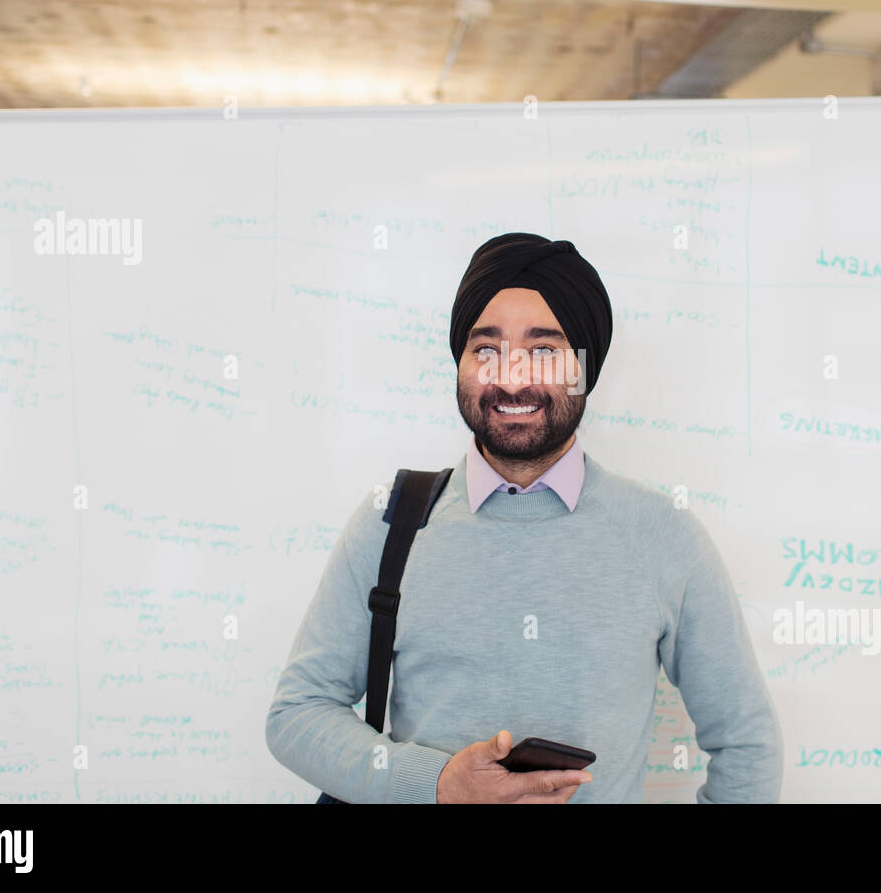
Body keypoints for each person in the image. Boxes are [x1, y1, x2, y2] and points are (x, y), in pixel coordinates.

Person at [265, 232, 782, 803]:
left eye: (544, 350)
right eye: (485, 349)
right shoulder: (391, 522)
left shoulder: (663, 534)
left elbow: (744, 743)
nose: (511, 378)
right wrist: (437, 784)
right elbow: (297, 714)